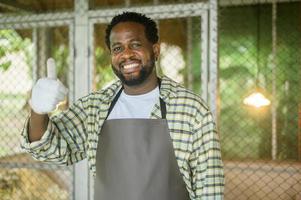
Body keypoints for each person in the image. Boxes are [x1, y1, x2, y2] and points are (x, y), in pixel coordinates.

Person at [21, 12, 224, 200]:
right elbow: (49, 150)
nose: (126, 54)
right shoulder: (94, 107)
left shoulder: (190, 109)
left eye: (135, 44)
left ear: (155, 50)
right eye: (117, 48)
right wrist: (38, 110)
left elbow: (210, 188)